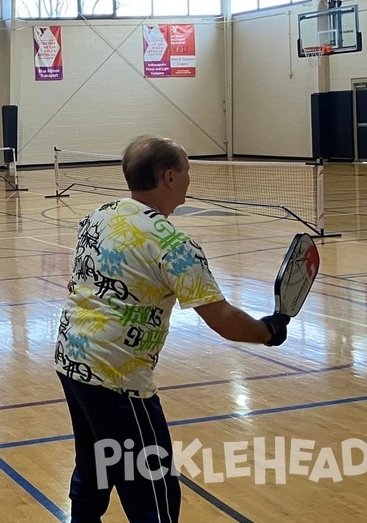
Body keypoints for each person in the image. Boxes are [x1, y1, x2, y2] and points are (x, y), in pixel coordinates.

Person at [53, 136, 289, 523]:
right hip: (119, 378)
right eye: (187, 172)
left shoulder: (99, 216)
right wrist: (269, 331)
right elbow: (223, 320)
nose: (189, 179)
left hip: (71, 359)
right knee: (152, 488)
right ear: (168, 178)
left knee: (95, 466)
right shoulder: (175, 245)